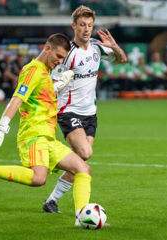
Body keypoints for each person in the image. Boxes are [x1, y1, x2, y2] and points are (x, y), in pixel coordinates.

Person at [0, 34, 93, 226]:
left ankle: (82, 218)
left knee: (83, 168)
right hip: (33, 135)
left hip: (48, 137)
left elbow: (42, 94)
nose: (60, 62)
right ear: (47, 49)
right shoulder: (34, 70)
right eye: (58, 57)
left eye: (63, 59)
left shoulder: (44, 71)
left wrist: (59, 84)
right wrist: (1, 127)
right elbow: (17, 98)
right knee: (38, 179)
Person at [43, 6, 126, 216]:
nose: (86, 29)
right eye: (82, 25)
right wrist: (59, 85)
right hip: (68, 111)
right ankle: (50, 159)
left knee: (81, 161)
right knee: (85, 153)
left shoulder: (98, 48)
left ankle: (51, 201)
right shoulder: (68, 53)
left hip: (90, 113)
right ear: (74, 26)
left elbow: (122, 59)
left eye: (90, 25)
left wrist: (114, 46)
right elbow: (53, 84)